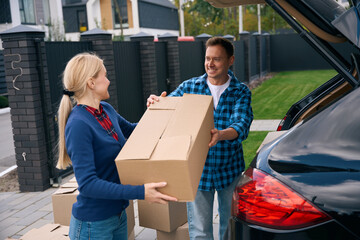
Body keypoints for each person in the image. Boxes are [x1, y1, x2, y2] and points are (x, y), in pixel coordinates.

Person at [56, 53, 177, 240]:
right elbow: (88, 185)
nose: (109, 81)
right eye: (104, 76)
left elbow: (137, 131)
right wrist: (140, 192)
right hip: (93, 225)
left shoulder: (106, 110)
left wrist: (157, 110)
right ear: (91, 83)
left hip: (118, 216)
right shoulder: (79, 124)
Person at [147, 37, 253, 240]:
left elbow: (241, 124)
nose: (210, 64)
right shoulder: (190, 87)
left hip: (229, 170)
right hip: (198, 171)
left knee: (229, 229)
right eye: (207, 58)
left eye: (217, 59)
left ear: (230, 60)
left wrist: (220, 134)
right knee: (200, 232)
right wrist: (157, 101)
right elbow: (169, 106)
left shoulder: (240, 92)